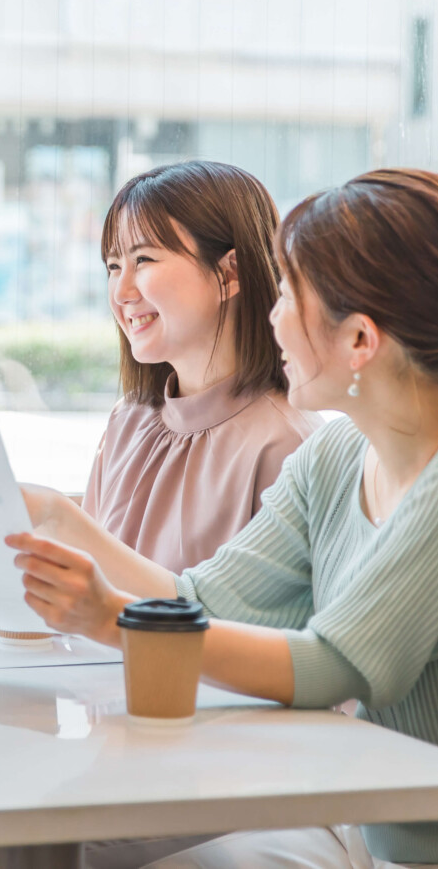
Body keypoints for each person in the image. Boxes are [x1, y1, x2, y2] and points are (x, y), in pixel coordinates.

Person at [9, 169, 438, 869]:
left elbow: (334, 663)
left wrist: (112, 616)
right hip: (379, 833)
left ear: (359, 339)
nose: (271, 317)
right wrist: (56, 518)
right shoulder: (336, 453)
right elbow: (202, 600)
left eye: (290, 296)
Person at [85, 161, 319, 571]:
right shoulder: (127, 422)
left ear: (230, 272)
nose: (121, 292)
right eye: (113, 266)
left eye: (143, 260)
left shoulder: (286, 444)